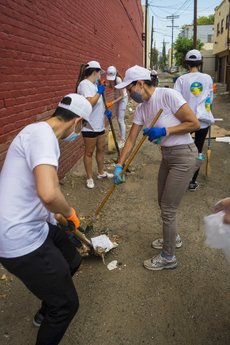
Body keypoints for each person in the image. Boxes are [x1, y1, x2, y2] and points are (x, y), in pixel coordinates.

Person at [0, 93, 92, 345]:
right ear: (77, 121)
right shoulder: (43, 136)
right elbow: (49, 193)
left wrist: (60, 220)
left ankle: (46, 307)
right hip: (18, 237)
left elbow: (37, 194)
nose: (79, 132)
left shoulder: (37, 132)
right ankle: (53, 308)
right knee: (67, 306)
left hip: (36, 224)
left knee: (72, 259)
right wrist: (70, 213)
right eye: (82, 127)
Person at [113, 65, 200, 271]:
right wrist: (119, 165)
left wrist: (165, 130)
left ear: (141, 84)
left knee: (168, 209)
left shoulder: (168, 95)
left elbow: (194, 123)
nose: (128, 93)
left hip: (184, 155)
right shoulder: (143, 108)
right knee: (162, 202)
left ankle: (168, 257)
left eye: (129, 88)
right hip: (167, 157)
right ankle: (173, 237)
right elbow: (131, 139)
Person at [174, 49, 215, 191]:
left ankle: (180, 178)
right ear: (200, 63)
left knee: (183, 149)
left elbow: (175, 102)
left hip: (186, 121)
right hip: (203, 121)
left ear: (187, 64)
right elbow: (210, 98)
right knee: (198, 149)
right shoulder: (208, 78)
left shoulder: (181, 80)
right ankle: (192, 181)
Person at [76, 60, 113, 189]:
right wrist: (99, 92)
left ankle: (101, 173)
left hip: (99, 124)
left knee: (101, 149)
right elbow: (89, 103)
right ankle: (89, 178)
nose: (100, 76)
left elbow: (98, 105)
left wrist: (106, 112)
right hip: (89, 125)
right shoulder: (84, 84)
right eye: (99, 73)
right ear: (94, 72)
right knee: (89, 152)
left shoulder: (94, 85)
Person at [106, 66, 129, 148]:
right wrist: (104, 85)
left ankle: (123, 140)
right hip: (117, 98)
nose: (110, 79)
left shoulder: (118, 79)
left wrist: (111, 103)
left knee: (120, 119)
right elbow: (111, 86)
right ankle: (121, 135)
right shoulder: (111, 79)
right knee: (118, 118)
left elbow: (122, 95)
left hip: (123, 99)